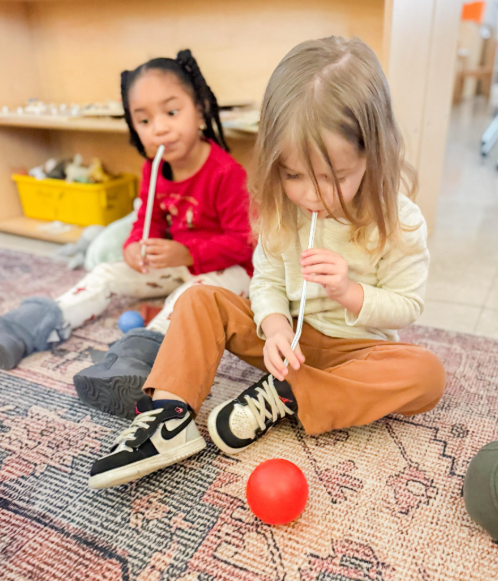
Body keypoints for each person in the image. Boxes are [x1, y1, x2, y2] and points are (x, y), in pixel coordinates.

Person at [88, 36, 446, 490]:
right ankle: (170, 417)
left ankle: (291, 395)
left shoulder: (401, 222)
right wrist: (275, 326)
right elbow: (267, 281)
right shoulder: (282, 208)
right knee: (200, 300)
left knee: (427, 374)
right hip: (284, 341)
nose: (311, 196)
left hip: (355, 351)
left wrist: (349, 292)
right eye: (294, 175)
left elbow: (407, 305)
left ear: (373, 155)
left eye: (334, 178)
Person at [0, 50, 254, 419]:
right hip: (176, 262)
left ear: (199, 109)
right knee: (106, 273)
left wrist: (186, 253)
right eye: (145, 120)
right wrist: (135, 245)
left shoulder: (226, 173)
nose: (160, 128)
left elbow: (244, 243)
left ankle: (138, 361)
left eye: (171, 112)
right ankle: (26, 327)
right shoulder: (153, 169)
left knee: (187, 299)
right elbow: (146, 222)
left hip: (226, 273)